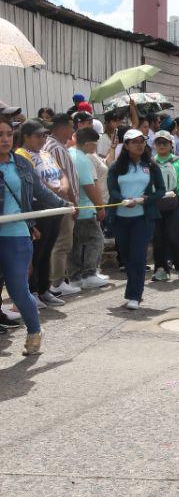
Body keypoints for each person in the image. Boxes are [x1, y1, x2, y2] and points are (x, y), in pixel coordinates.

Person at [0, 117, 71, 355]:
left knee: (18, 289)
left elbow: (40, 191)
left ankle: (34, 330)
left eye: (9, 134)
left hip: (16, 235)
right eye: (0, 134)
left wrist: (66, 205)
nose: (5, 139)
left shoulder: (21, 163)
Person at [107, 129, 165, 309]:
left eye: (142, 141)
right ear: (126, 145)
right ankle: (134, 289)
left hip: (143, 218)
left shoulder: (151, 165)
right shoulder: (116, 167)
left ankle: (134, 294)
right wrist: (122, 200)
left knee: (138, 256)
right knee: (127, 257)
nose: (139, 145)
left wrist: (147, 199)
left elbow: (161, 190)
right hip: (120, 219)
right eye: (134, 142)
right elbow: (113, 190)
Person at [14, 119, 66, 306]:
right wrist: (54, 193)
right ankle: (33, 290)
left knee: (47, 249)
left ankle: (45, 288)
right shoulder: (21, 155)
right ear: (26, 137)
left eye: (45, 135)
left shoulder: (45, 153)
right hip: (38, 207)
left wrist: (63, 189)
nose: (43, 139)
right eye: (38, 135)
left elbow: (61, 174)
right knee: (36, 252)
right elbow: (36, 183)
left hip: (55, 207)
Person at [43, 114, 80, 297]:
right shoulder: (55, 148)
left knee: (61, 243)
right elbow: (61, 178)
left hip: (62, 202)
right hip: (63, 202)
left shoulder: (54, 146)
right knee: (62, 243)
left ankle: (58, 280)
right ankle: (56, 283)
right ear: (62, 127)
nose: (73, 131)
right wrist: (72, 203)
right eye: (71, 127)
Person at [67, 126, 109, 288]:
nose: (95, 148)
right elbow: (89, 185)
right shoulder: (83, 159)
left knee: (75, 245)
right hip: (85, 208)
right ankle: (90, 273)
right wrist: (100, 207)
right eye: (94, 145)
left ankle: (75, 277)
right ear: (88, 144)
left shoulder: (68, 153)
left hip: (72, 209)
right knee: (96, 240)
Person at [151, 131, 179, 281]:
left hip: (176, 202)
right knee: (158, 237)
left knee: (173, 235)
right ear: (154, 145)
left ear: (171, 145)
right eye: (158, 143)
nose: (161, 146)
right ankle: (161, 268)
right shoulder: (150, 162)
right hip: (156, 203)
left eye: (165, 143)